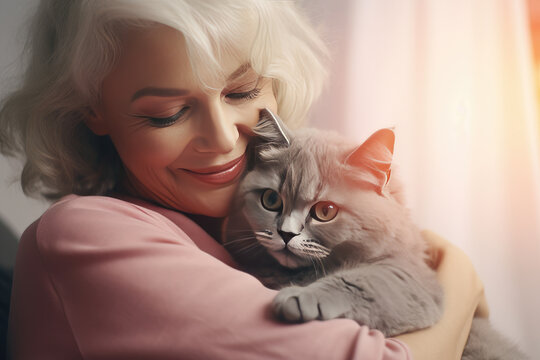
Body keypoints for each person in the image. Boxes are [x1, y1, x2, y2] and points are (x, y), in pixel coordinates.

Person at [0, 1, 488, 359]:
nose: (222, 138)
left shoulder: (234, 229)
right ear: (93, 112)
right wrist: (460, 278)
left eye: (242, 91)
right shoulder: (90, 234)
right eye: (168, 114)